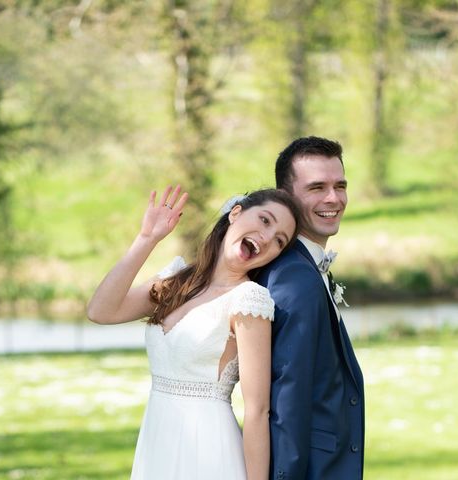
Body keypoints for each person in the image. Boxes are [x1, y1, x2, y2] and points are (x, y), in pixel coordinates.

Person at [87, 185, 300, 480]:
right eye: (265, 220)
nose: (266, 239)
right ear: (236, 214)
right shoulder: (176, 282)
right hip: (157, 441)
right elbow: (101, 311)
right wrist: (147, 239)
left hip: (209, 449)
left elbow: (257, 410)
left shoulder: (248, 300)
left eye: (279, 240)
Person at [256, 136, 365, 479]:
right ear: (285, 198)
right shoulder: (294, 278)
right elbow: (287, 397)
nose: (333, 198)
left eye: (340, 185)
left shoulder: (302, 266)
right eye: (317, 187)